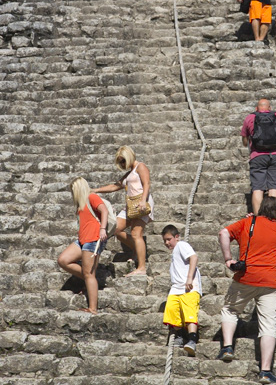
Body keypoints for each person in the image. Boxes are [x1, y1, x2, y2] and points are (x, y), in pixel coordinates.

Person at [218, 196, 276, 384]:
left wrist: (228, 259)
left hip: (247, 277)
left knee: (230, 310)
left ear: (261, 207)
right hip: (272, 281)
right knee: (269, 326)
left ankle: (228, 348)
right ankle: (265, 371)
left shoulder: (249, 222)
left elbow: (223, 233)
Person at [92, 146, 154, 276]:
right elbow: (115, 186)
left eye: (123, 160)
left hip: (141, 203)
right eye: (120, 162)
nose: (122, 164)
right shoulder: (130, 173)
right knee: (115, 228)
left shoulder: (140, 167)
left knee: (137, 233)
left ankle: (141, 267)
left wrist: (143, 201)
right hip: (130, 206)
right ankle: (137, 249)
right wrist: (96, 190)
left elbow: (146, 183)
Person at [57, 177, 108, 314]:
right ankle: (89, 279)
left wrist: (102, 229)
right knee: (63, 260)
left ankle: (93, 308)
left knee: (89, 274)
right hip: (82, 240)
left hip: (93, 239)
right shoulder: (81, 202)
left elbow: (104, 211)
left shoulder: (92, 196)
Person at [162, 224, 202, 357]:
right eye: (165, 241)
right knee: (172, 309)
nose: (167, 243)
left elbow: (193, 257)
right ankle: (179, 335)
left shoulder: (181, 245)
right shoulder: (175, 251)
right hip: (176, 287)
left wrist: (189, 278)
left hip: (188, 287)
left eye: (169, 239)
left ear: (176, 237)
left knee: (189, 312)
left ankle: (192, 339)